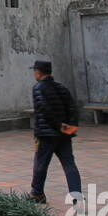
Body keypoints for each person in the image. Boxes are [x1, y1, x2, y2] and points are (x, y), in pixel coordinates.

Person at [28, 59, 82, 205]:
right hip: (63, 135)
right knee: (69, 164)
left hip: (46, 134)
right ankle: (76, 197)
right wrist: (71, 126)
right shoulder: (61, 87)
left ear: (38, 72)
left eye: (34, 70)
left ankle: (37, 194)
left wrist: (58, 126)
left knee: (40, 164)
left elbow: (45, 109)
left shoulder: (38, 88)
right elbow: (72, 108)